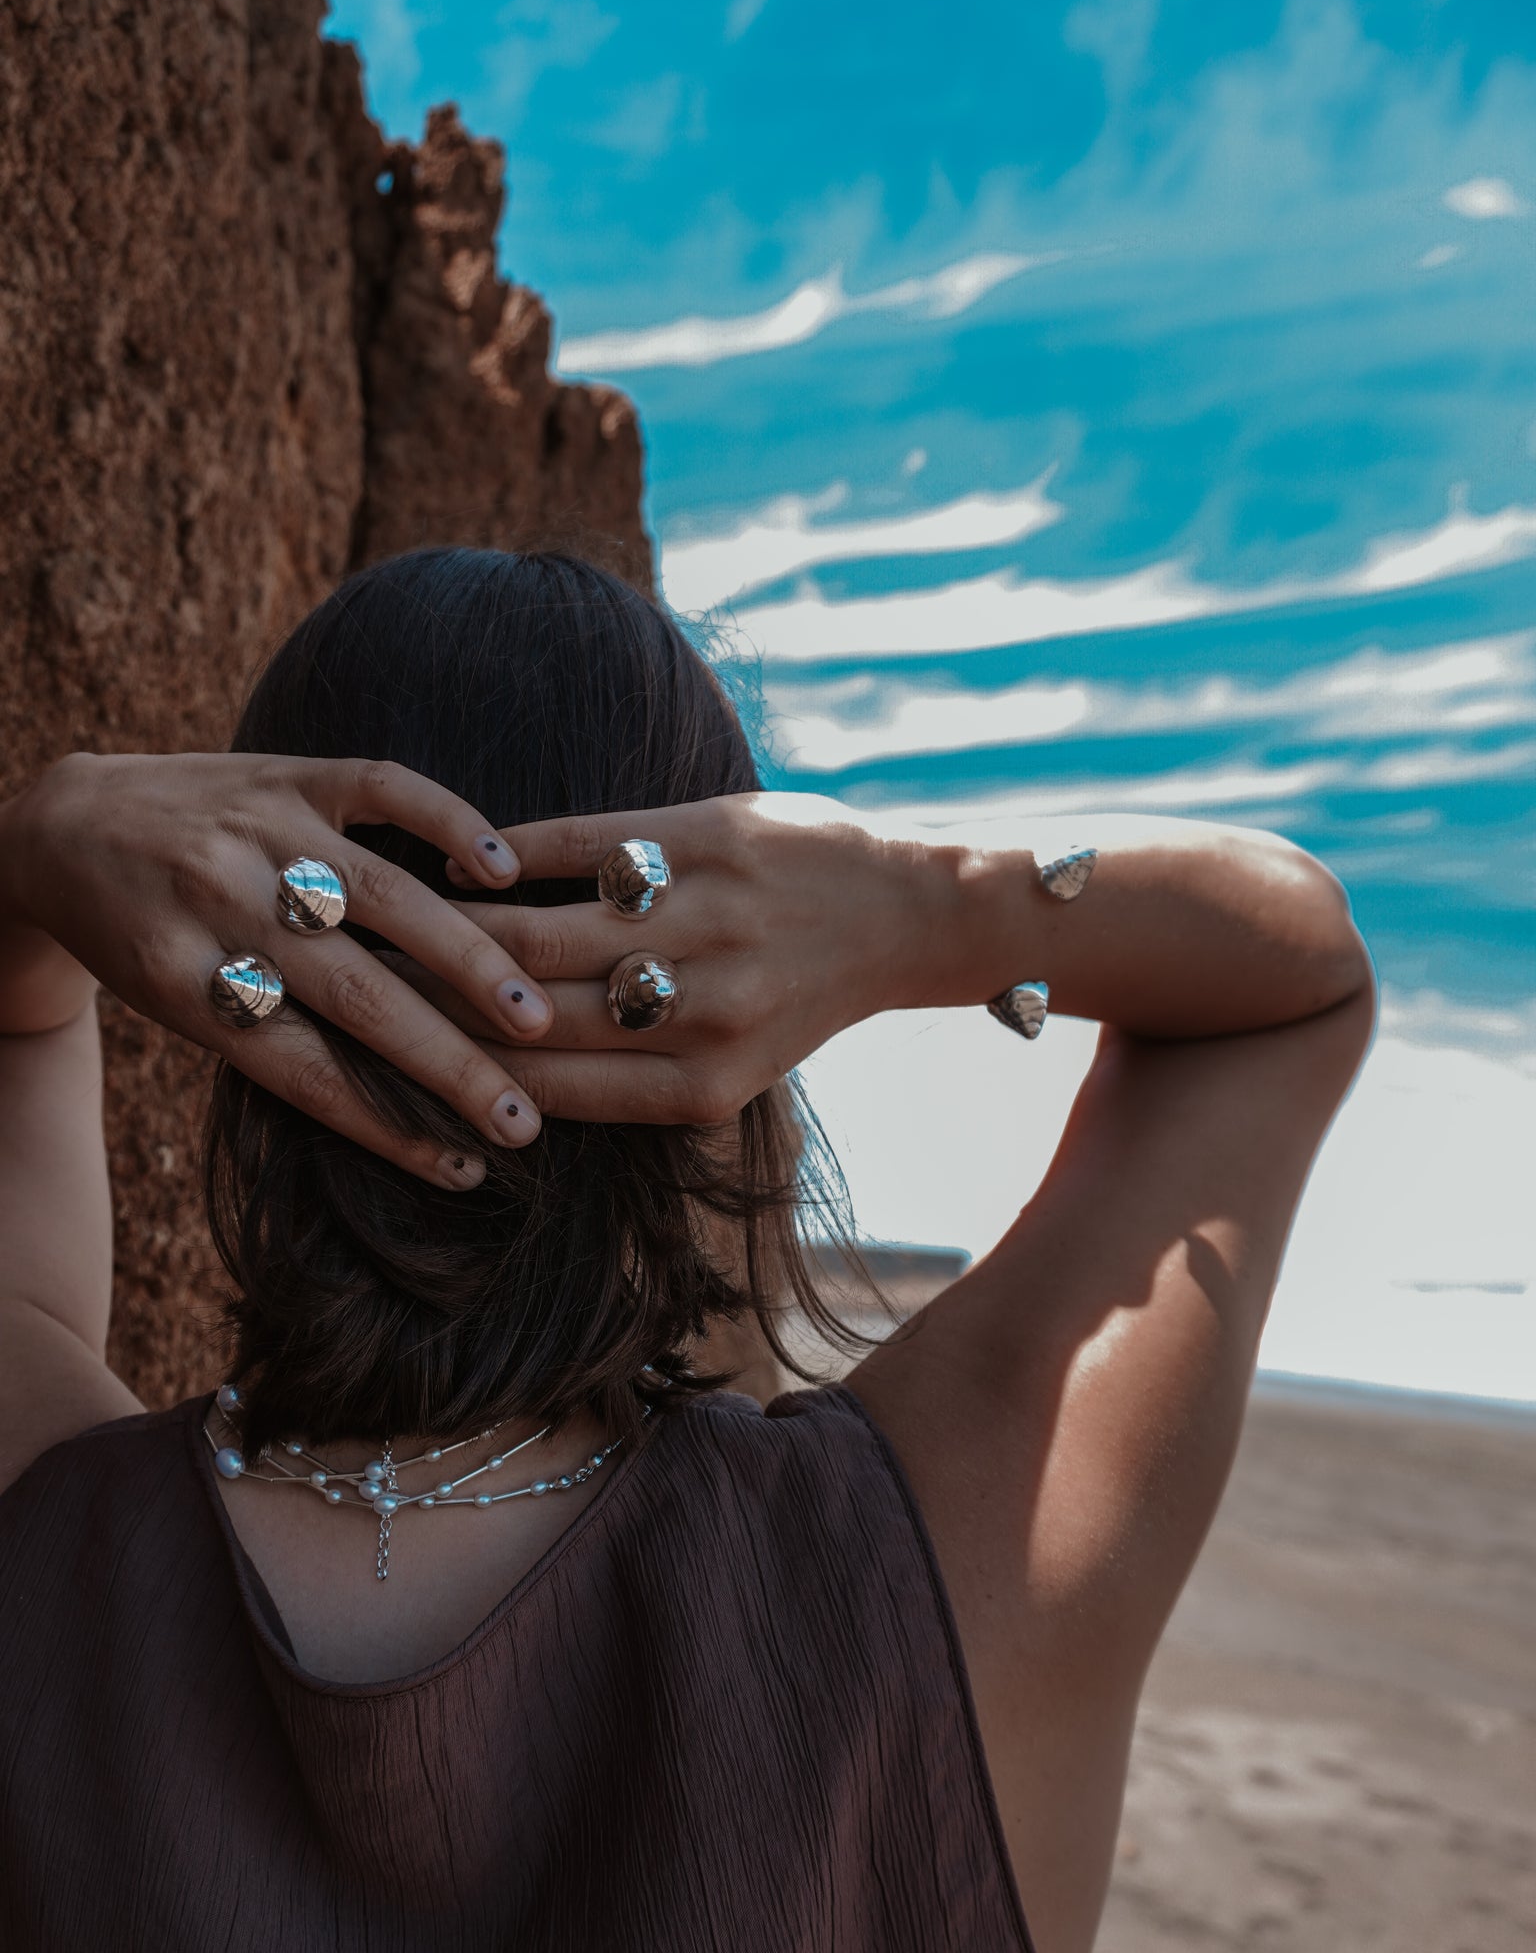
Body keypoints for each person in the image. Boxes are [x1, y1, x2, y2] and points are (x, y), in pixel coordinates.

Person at [0, 548, 1373, 1952]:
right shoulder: (932, 1575)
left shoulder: (42, 1541)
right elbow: (1295, 986)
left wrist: (38, 844)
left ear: (238, 1014)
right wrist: (924, 902)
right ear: (740, 1043)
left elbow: (20, 1020)